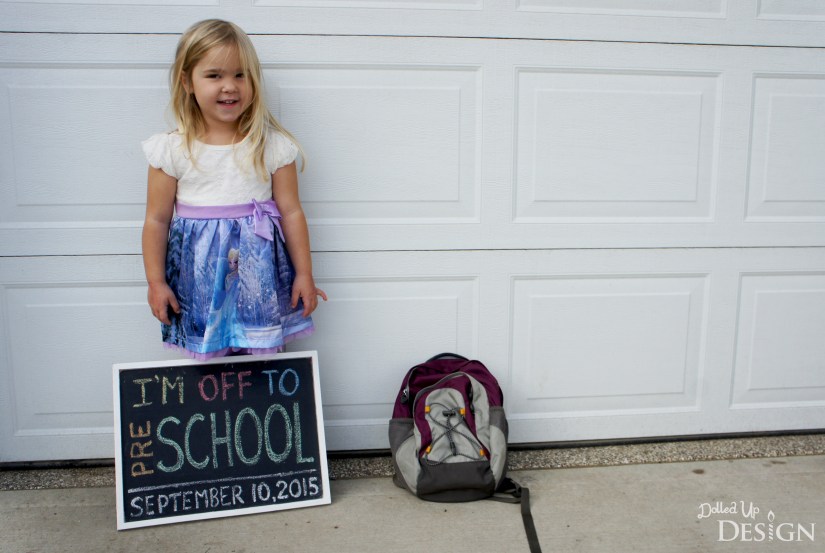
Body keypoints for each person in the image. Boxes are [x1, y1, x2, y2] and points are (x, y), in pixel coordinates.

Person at [141, 19, 326, 360]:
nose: (230, 86)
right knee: (214, 366)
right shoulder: (171, 150)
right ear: (187, 82)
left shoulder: (270, 146)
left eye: (240, 75)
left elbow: (291, 212)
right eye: (214, 76)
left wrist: (304, 273)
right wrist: (156, 282)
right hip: (200, 279)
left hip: (260, 274)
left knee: (258, 363)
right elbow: (156, 219)